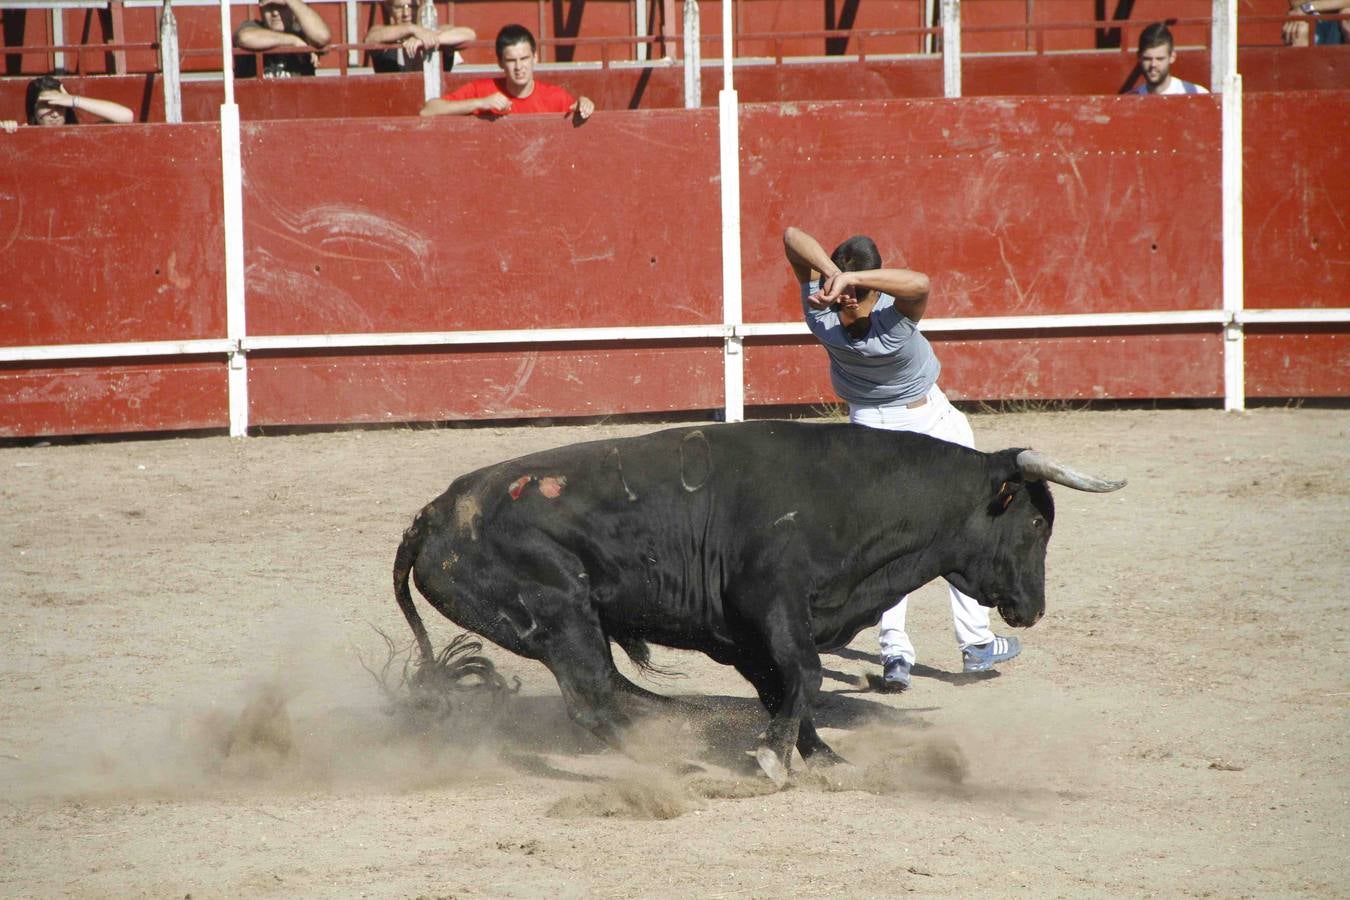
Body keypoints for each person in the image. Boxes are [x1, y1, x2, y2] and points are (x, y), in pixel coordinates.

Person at [782, 225, 1023, 692]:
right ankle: (969, 643)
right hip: (928, 422)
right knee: (964, 527)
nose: (846, 298)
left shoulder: (822, 317)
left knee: (886, 540)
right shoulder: (896, 318)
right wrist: (849, 278)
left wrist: (831, 278)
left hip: (871, 432)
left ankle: (896, 653)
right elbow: (920, 284)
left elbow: (793, 237)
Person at [419, 24, 594, 120]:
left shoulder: (555, 96)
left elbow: (578, 111)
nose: (519, 67)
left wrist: (584, 104)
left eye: (524, 59)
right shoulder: (481, 90)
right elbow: (428, 110)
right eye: (511, 60)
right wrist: (480, 103)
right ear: (500, 62)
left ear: (535, 58)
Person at [366, 0, 475, 73]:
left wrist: (426, 39)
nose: (406, 13)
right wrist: (413, 29)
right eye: (399, 7)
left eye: (412, 7)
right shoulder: (382, 33)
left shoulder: (439, 31)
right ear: (390, 10)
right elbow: (370, 38)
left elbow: (469, 34)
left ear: (422, 9)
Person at [234, 0, 332, 79]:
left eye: (281, 7)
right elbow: (244, 38)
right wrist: (293, 41)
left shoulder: (305, 33)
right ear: (261, 9)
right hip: (258, 101)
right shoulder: (253, 27)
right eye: (269, 7)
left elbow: (322, 37)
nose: (275, 13)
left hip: (298, 101)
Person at [5, 74, 134, 129]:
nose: (55, 114)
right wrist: (5, 130)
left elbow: (127, 116)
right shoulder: (23, 133)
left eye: (60, 106)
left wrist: (74, 100)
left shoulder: (80, 133)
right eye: (46, 106)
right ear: (34, 108)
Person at [1130, 23, 1208, 95]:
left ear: (1172, 57)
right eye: (1147, 59)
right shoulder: (1130, 101)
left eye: (1160, 59)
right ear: (1139, 57)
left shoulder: (1197, 94)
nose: (1153, 64)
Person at [1282, 0, 1350, 46]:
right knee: (1299, 29)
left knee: (1347, 15)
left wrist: (1308, 7)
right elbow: (1297, 3)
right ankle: (1306, 66)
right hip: (1313, 19)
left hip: (1339, 20)